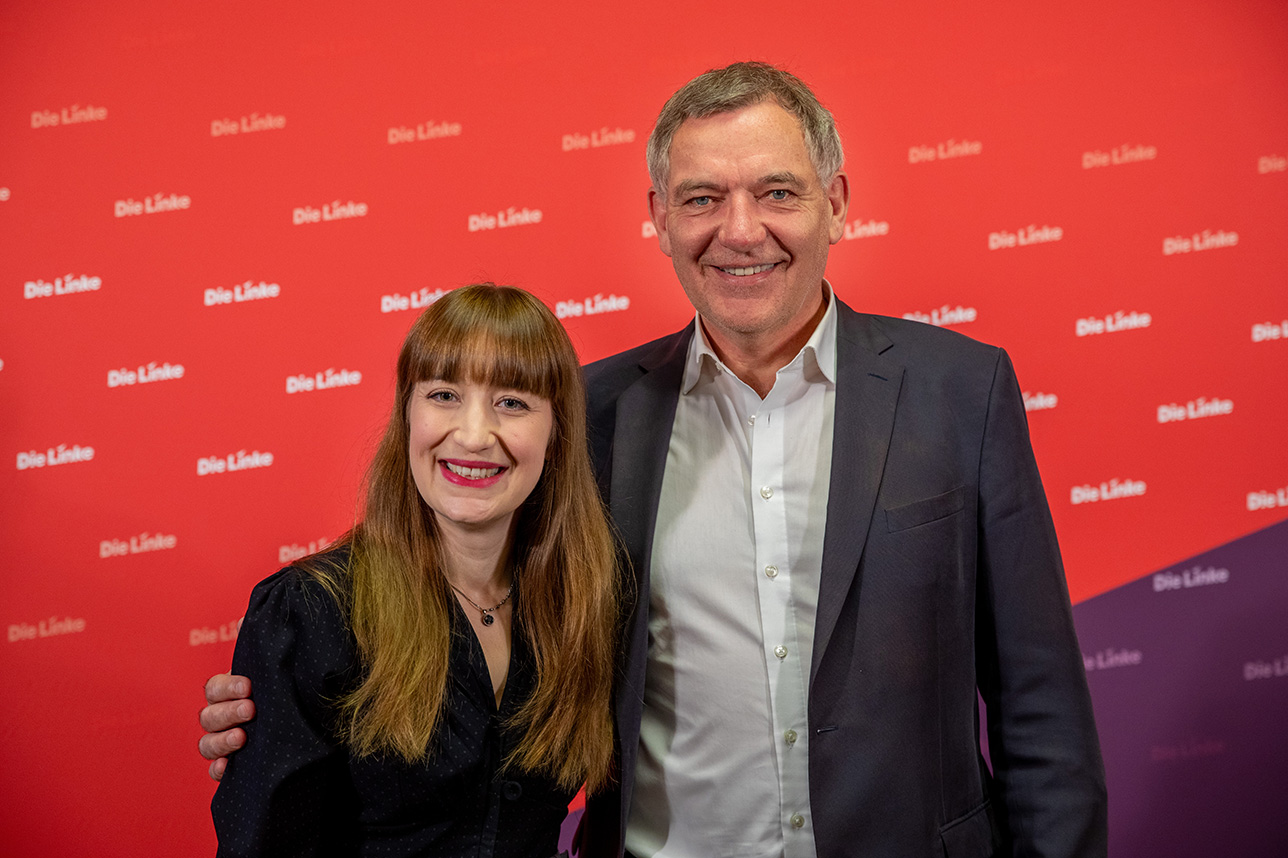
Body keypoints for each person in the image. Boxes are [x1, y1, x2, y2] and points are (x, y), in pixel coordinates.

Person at [204, 63, 1107, 857]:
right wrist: (291, 697)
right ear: (659, 219)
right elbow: (462, 598)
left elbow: (1042, 713)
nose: (740, 230)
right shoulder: (592, 414)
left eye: (778, 192)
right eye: (703, 198)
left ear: (836, 201)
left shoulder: (963, 391)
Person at [209, 284, 619, 857]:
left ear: (556, 436)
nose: (474, 436)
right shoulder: (314, 611)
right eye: (445, 394)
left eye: (513, 402)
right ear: (408, 415)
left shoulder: (591, 600)